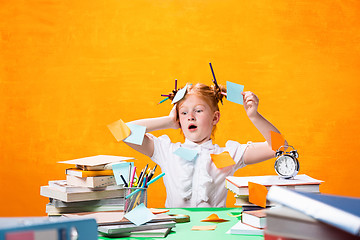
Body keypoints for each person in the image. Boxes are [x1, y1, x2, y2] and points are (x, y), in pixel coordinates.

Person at [124, 82, 285, 208]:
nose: (190, 117)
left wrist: (254, 116)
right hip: (177, 231)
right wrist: (168, 121)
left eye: (198, 111)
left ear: (215, 118)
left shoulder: (229, 154)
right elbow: (123, 132)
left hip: (214, 230)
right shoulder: (168, 151)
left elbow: (280, 147)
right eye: (184, 112)